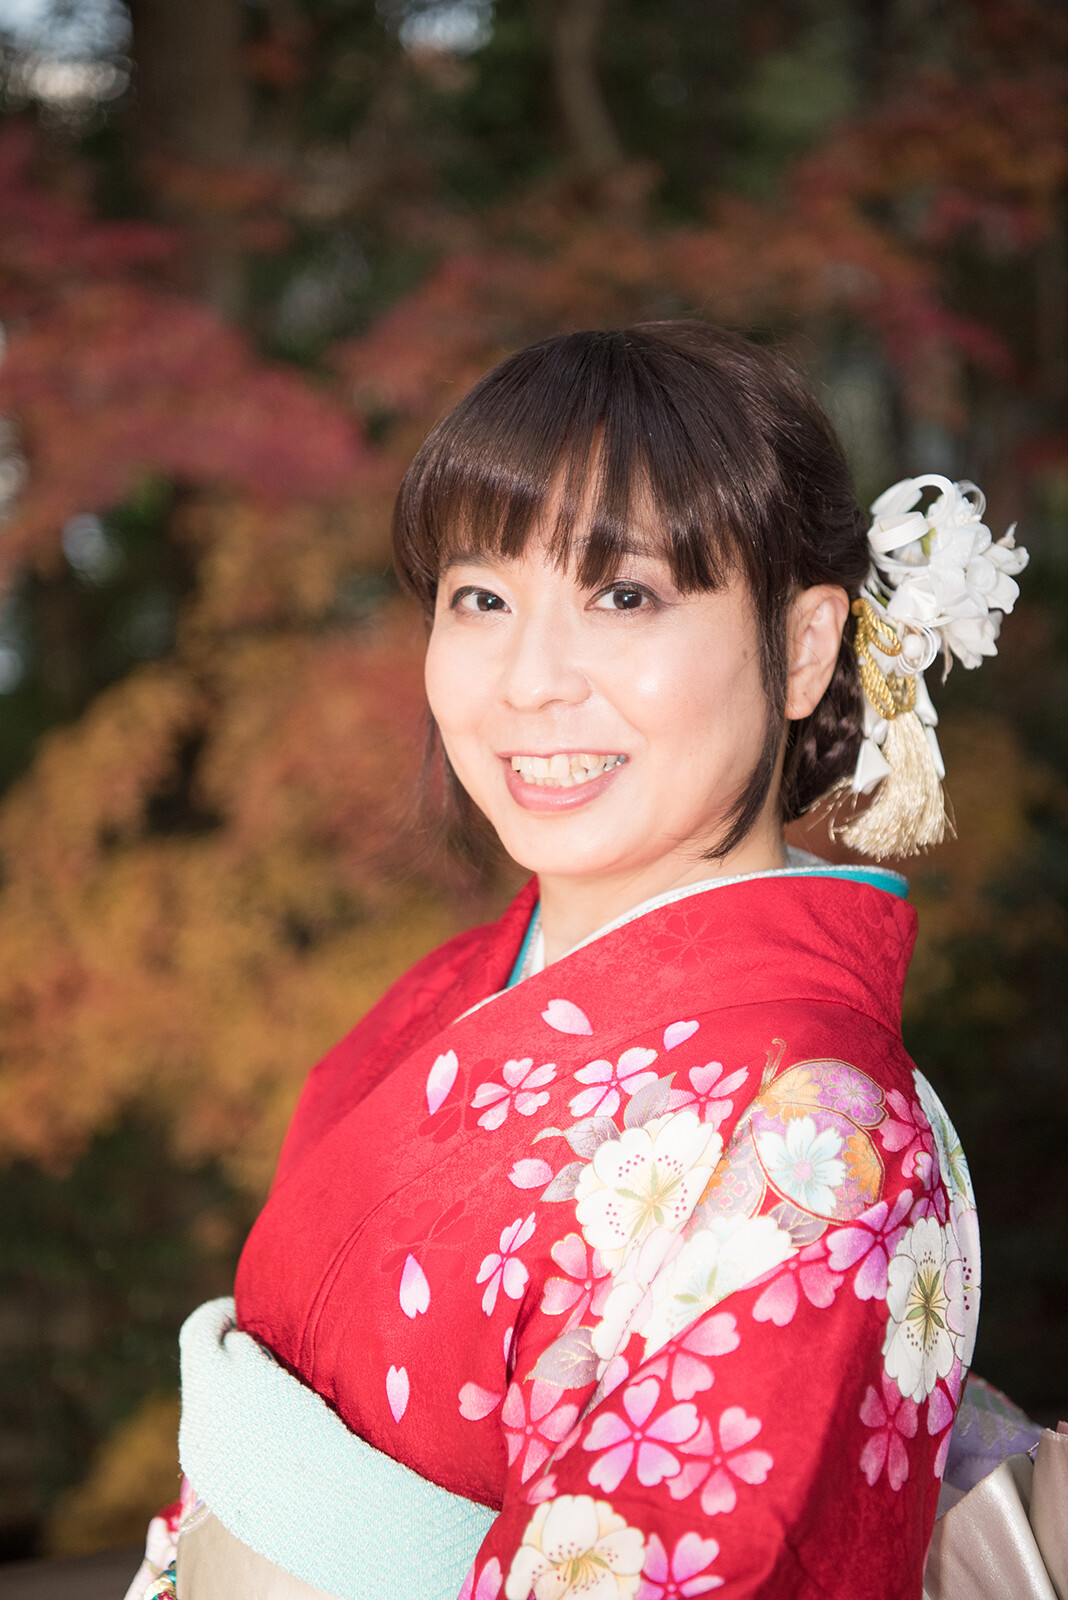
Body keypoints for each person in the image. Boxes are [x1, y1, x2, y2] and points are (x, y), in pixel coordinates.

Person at [128, 322, 1040, 1600]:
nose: (529, 681)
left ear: (803, 646)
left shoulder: (819, 1134)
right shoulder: (449, 989)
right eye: (481, 599)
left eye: (624, 596)